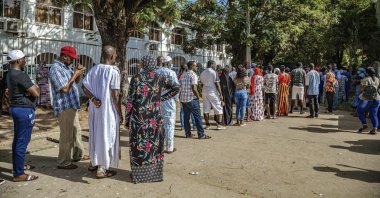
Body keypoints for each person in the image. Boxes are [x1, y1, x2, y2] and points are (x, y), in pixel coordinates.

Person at [125, 55, 179, 183]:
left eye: (141, 63)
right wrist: (161, 98)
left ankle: (139, 176)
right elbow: (176, 87)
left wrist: (127, 119)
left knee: (138, 144)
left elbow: (130, 100)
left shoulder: (136, 78)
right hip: (155, 118)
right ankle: (154, 175)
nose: (140, 65)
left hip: (139, 118)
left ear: (144, 64)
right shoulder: (160, 77)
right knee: (154, 146)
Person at [82, 46, 121, 178]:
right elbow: (115, 95)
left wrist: (93, 99)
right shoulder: (113, 72)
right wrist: (120, 113)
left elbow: (84, 86)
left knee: (95, 134)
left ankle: (93, 162)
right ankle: (102, 169)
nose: (116, 57)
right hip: (107, 111)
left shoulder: (94, 69)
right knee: (107, 136)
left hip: (95, 109)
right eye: (115, 55)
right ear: (111, 56)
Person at [49, 46, 88, 170]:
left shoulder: (65, 67)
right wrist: (75, 74)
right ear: (64, 56)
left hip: (72, 105)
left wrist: (78, 74)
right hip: (64, 106)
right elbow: (65, 89)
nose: (72, 60)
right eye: (71, 58)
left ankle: (78, 155)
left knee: (76, 131)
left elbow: (74, 83)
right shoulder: (55, 68)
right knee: (66, 135)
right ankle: (63, 161)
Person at [6, 50, 40, 182]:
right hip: (24, 110)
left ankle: (18, 167)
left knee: (17, 141)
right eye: (24, 59)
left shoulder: (9, 74)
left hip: (16, 108)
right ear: (19, 60)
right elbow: (36, 92)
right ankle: (19, 174)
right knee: (22, 142)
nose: (25, 61)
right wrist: (35, 87)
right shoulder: (20, 75)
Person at [180, 61, 211, 139]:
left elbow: (180, 87)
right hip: (192, 99)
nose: (197, 67)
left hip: (184, 99)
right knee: (197, 117)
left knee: (186, 117)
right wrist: (198, 97)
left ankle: (188, 133)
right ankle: (201, 134)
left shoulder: (183, 75)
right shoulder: (193, 74)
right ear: (192, 66)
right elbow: (194, 88)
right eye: (196, 66)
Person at [156, 56, 179, 153]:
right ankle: (169, 147)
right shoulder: (171, 73)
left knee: (158, 123)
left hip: (157, 100)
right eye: (170, 62)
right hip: (169, 100)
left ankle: (158, 146)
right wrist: (176, 100)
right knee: (169, 123)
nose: (171, 64)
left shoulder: (155, 72)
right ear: (167, 63)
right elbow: (176, 87)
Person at [200, 60, 225, 130]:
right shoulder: (214, 72)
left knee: (205, 109)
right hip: (212, 92)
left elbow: (202, 83)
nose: (215, 66)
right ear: (211, 64)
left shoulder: (202, 72)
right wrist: (220, 94)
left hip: (204, 91)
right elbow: (217, 83)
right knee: (218, 108)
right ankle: (219, 125)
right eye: (214, 65)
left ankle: (207, 125)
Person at [356, 67, 379, 135]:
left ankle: (365, 126)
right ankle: (375, 129)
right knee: (374, 114)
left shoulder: (366, 79)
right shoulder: (377, 79)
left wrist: (360, 90)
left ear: (367, 72)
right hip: (377, 99)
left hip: (367, 99)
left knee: (359, 111)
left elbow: (362, 89)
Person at [178, 63, 196, 131]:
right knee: (191, 112)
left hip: (182, 96)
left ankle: (182, 126)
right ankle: (194, 126)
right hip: (189, 96)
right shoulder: (188, 74)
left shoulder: (180, 75)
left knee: (182, 112)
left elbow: (178, 85)